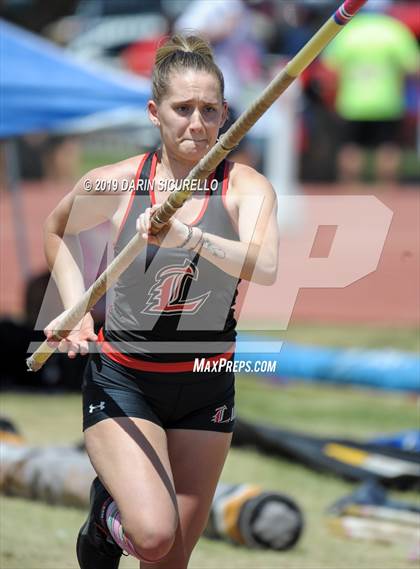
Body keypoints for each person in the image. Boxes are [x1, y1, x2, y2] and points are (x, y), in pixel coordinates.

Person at [43, 34, 279, 569]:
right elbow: (56, 230)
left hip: (206, 382)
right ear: (155, 112)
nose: (197, 123)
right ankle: (106, 523)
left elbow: (264, 266)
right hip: (125, 379)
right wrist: (76, 308)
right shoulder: (118, 182)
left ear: (226, 115)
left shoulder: (246, 186)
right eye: (183, 109)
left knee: (169, 559)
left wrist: (188, 238)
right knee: (151, 535)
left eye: (210, 110)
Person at [321, 12, 419, 185]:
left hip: (352, 104)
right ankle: (388, 200)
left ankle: (350, 196)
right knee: (388, 149)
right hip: (387, 103)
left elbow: (330, 70)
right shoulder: (395, 30)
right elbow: (413, 68)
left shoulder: (348, 32)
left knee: (350, 149)